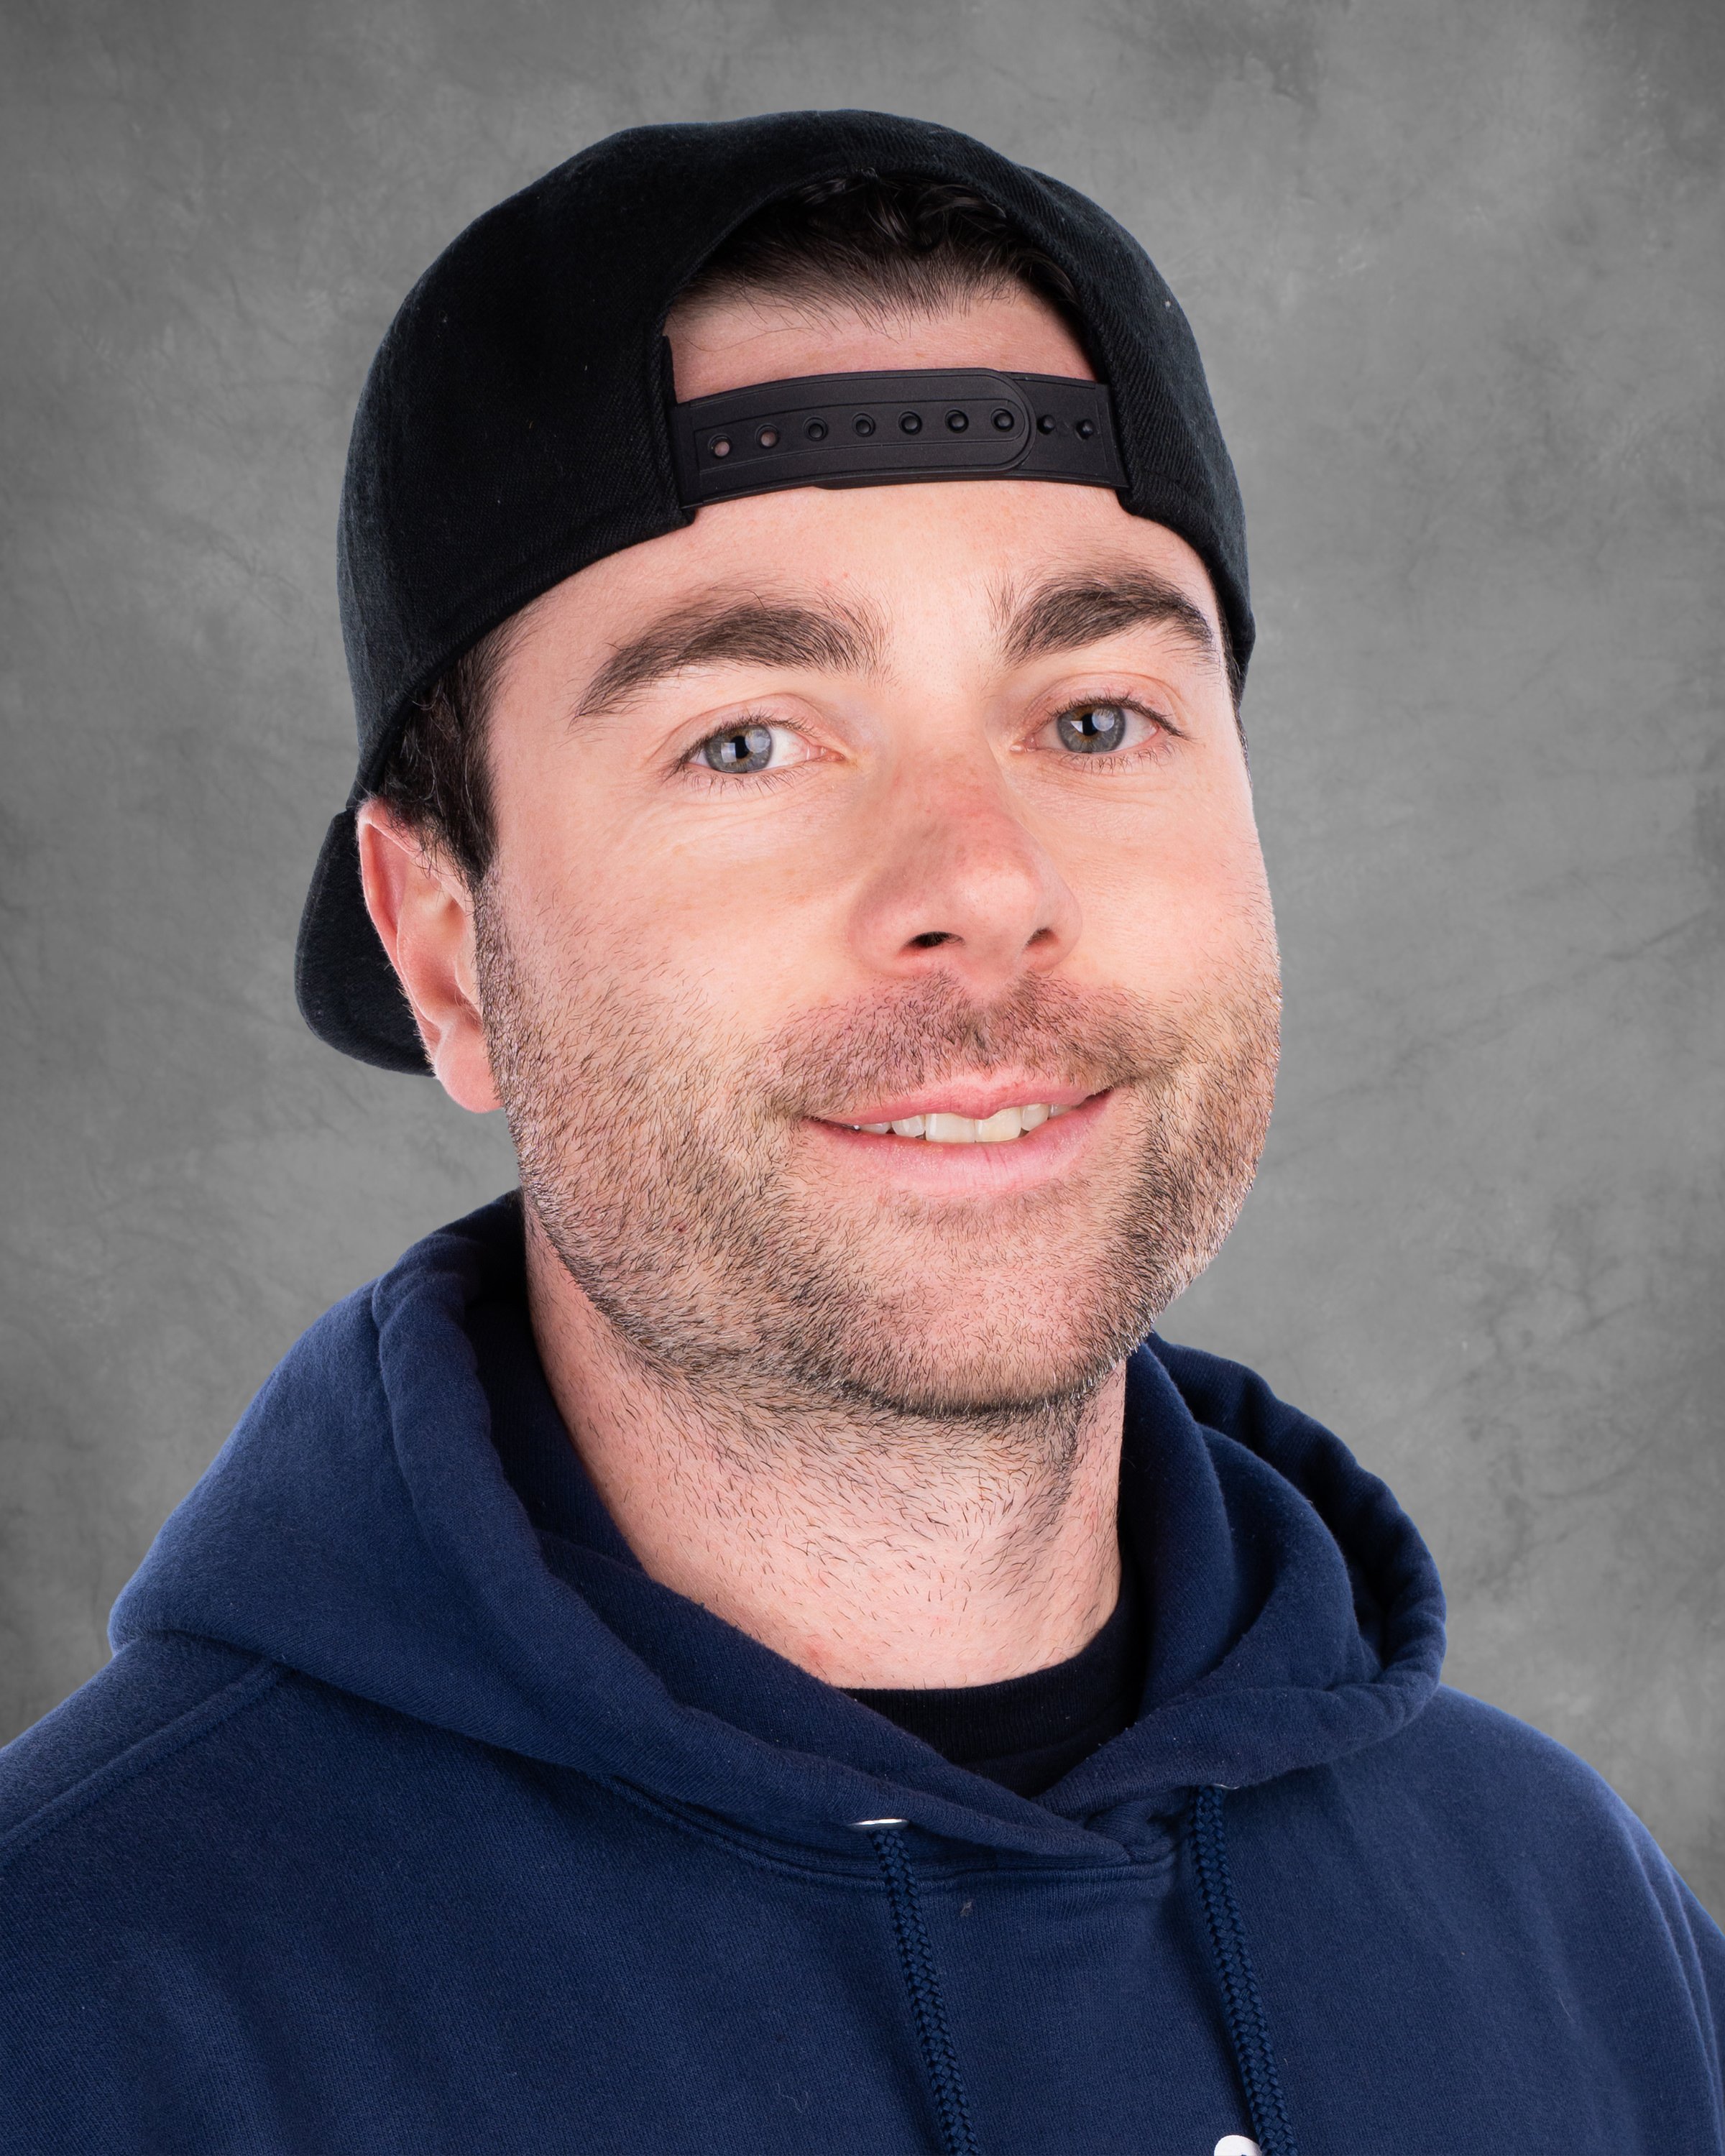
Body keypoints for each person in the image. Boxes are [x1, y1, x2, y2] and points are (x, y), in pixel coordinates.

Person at [1, 110, 1719, 2156]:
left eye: (1095, 717)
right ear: (445, 949)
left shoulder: (1581, 1935)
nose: (982, 884)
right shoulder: (76, 2021)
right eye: (748, 739)